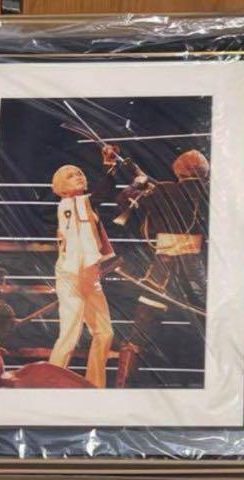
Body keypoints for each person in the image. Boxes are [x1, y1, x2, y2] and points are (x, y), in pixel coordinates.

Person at [107, 148, 209, 386]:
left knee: (140, 330)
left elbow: (123, 201)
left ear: (178, 170)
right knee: (211, 319)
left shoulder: (162, 189)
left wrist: (137, 182)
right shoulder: (209, 193)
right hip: (194, 267)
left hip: (162, 266)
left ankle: (122, 387)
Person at [47, 162, 117, 386]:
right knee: (69, 335)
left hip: (88, 275)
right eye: (70, 176)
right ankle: (49, 384)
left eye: (79, 173)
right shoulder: (69, 204)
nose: (77, 176)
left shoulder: (84, 205)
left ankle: (95, 385)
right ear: (61, 187)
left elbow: (103, 197)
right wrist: (110, 168)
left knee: (104, 333)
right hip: (72, 275)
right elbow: (101, 194)